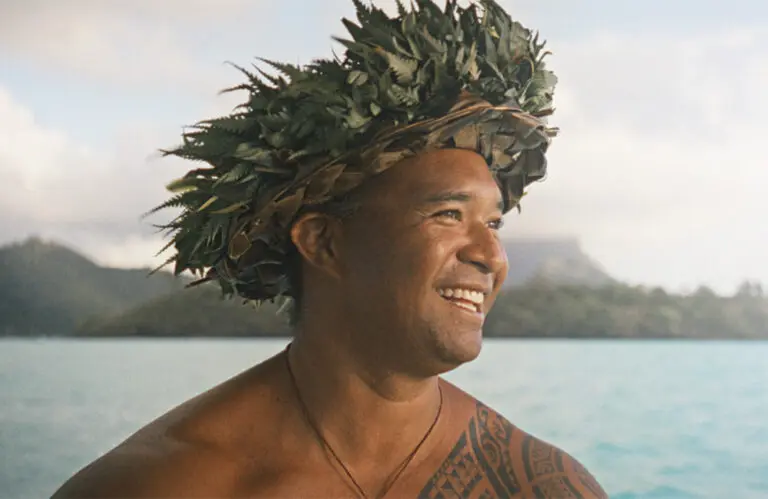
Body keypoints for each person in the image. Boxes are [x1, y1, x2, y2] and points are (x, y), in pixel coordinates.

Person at [52, 1, 608, 498]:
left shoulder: (545, 487)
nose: (491, 255)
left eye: (494, 223)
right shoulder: (157, 485)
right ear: (324, 242)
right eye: (448, 214)